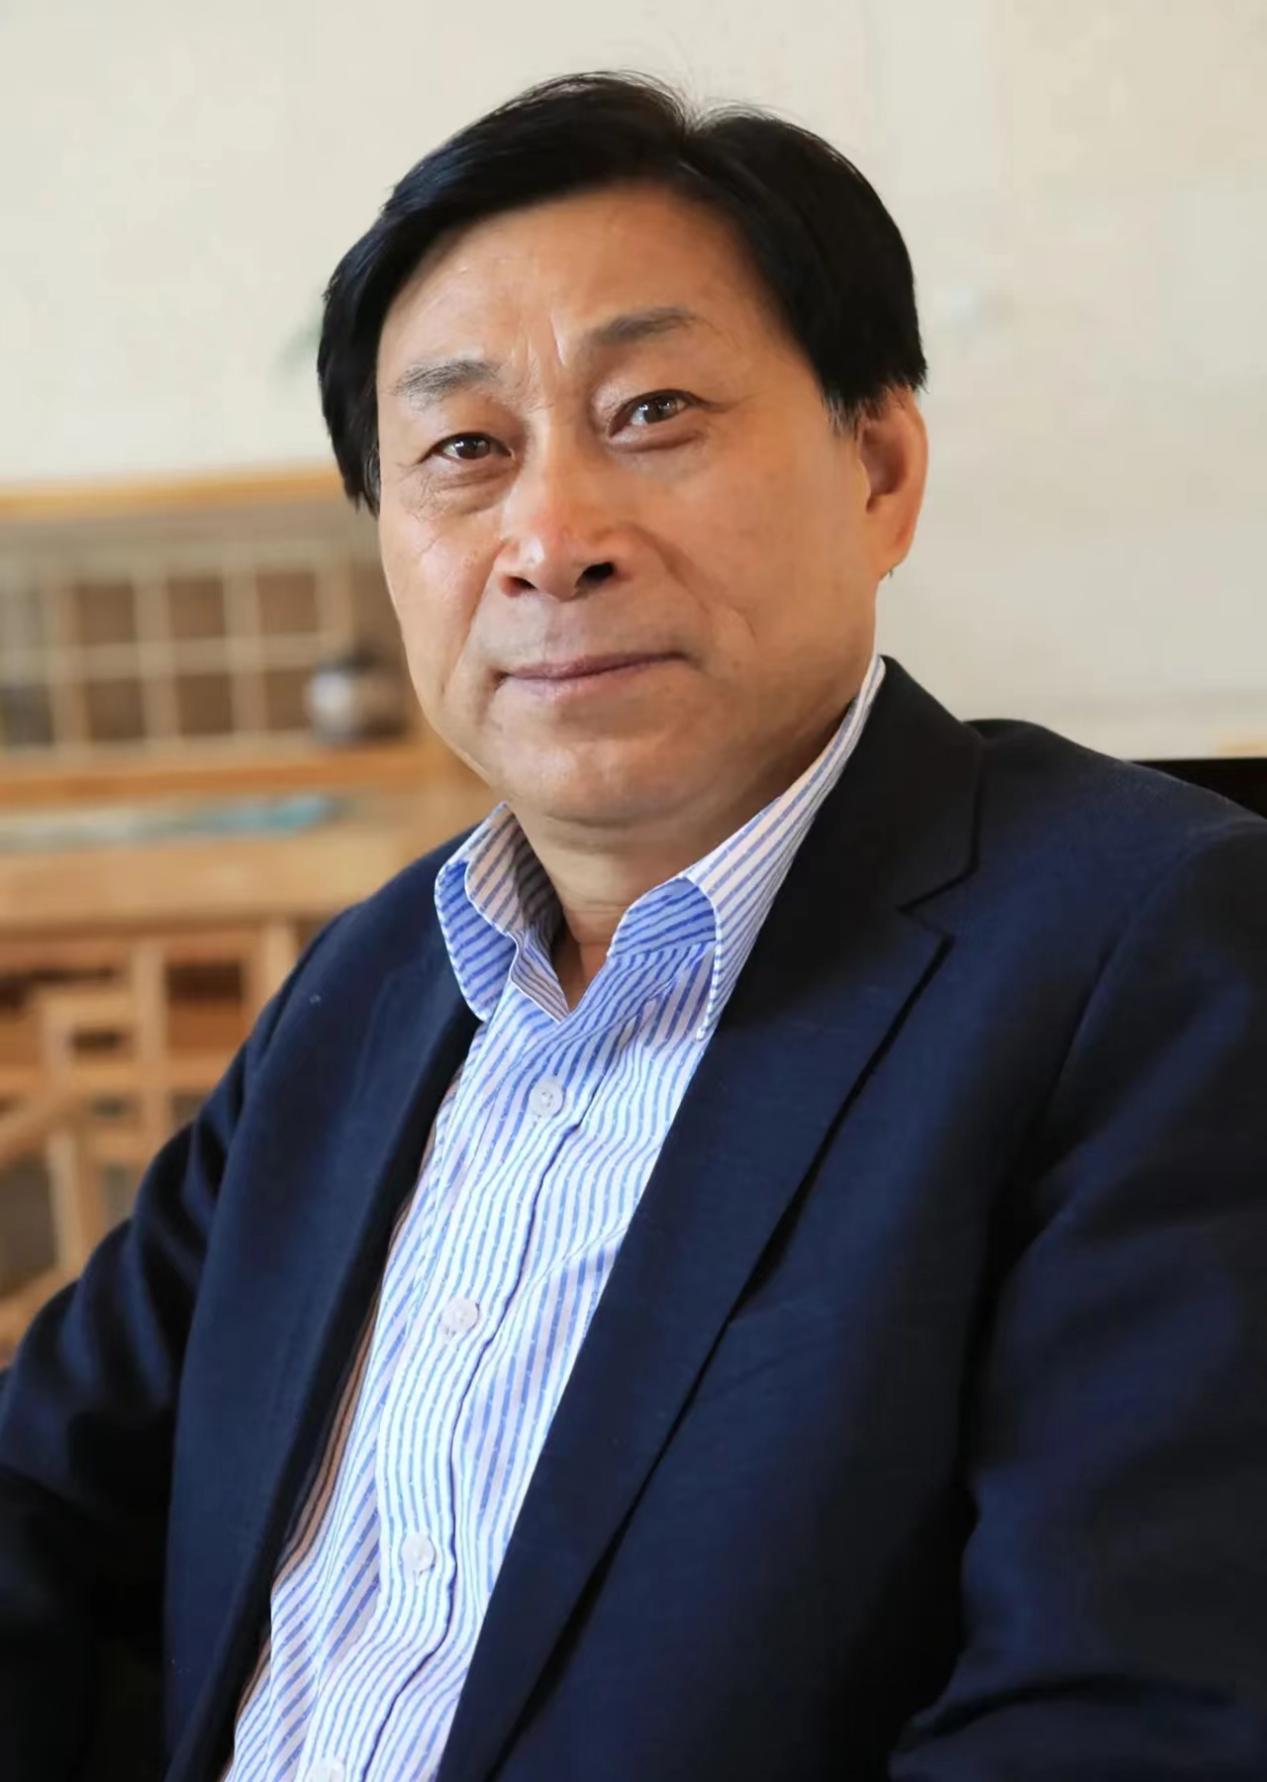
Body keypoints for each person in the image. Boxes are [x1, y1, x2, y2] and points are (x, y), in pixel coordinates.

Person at [2, 67, 1266, 1782]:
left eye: (654, 410)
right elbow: (40, 1493)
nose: (551, 539)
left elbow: (1126, 1719)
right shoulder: (367, 984)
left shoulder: (1149, 952)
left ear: (881, 467)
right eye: (464, 451)